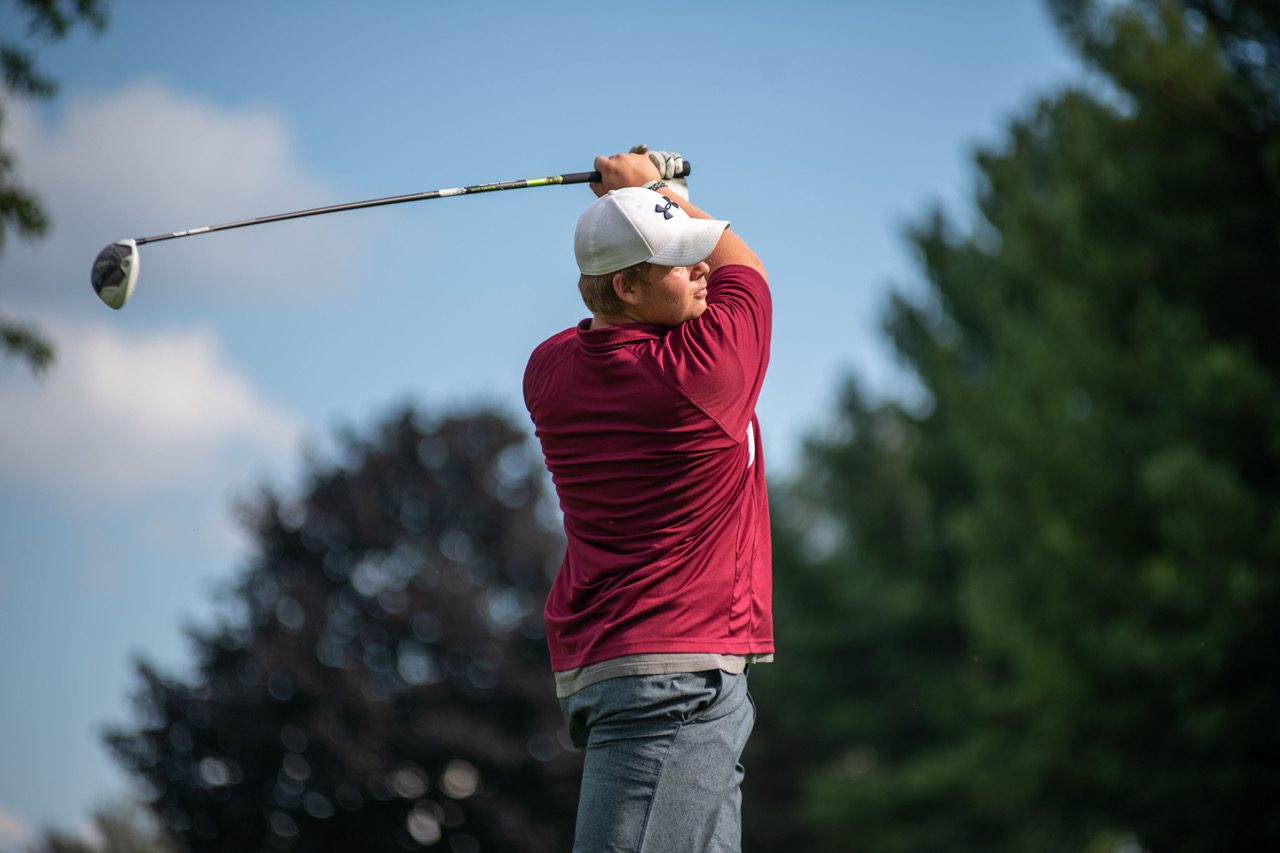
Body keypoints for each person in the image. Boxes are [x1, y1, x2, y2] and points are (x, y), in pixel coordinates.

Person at [523, 148, 773, 853]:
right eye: (678, 260)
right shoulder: (700, 374)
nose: (700, 269)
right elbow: (746, 270)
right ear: (627, 287)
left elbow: (637, 308)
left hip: (623, 665)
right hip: (676, 677)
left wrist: (646, 207)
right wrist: (652, 189)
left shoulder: (547, 371)